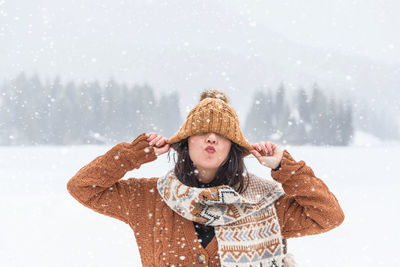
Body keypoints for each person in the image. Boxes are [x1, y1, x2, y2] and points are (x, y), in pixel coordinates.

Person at [67, 89, 345, 267]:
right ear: (185, 142)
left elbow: (328, 215)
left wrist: (286, 166)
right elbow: (83, 187)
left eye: (221, 133)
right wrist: (135, 154)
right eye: (201, 132)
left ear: (232, 147)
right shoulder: (149, 199)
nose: (211, 138)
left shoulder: (263, 202)